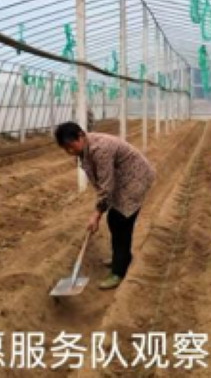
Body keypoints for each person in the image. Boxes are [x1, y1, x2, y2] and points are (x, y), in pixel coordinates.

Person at [54, 121, 155, 290]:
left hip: (135, 179)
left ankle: (119, 271)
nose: (70, 152)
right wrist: (101, 207)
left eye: (71, 146)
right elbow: (100, 181)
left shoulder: (100, 149)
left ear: (80, 135)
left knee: (120, 221)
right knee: (115, 219)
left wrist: (97, 213)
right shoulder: (85, 147)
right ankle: (121, 257)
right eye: (66, 149)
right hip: (122, 179)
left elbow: (106, 185)